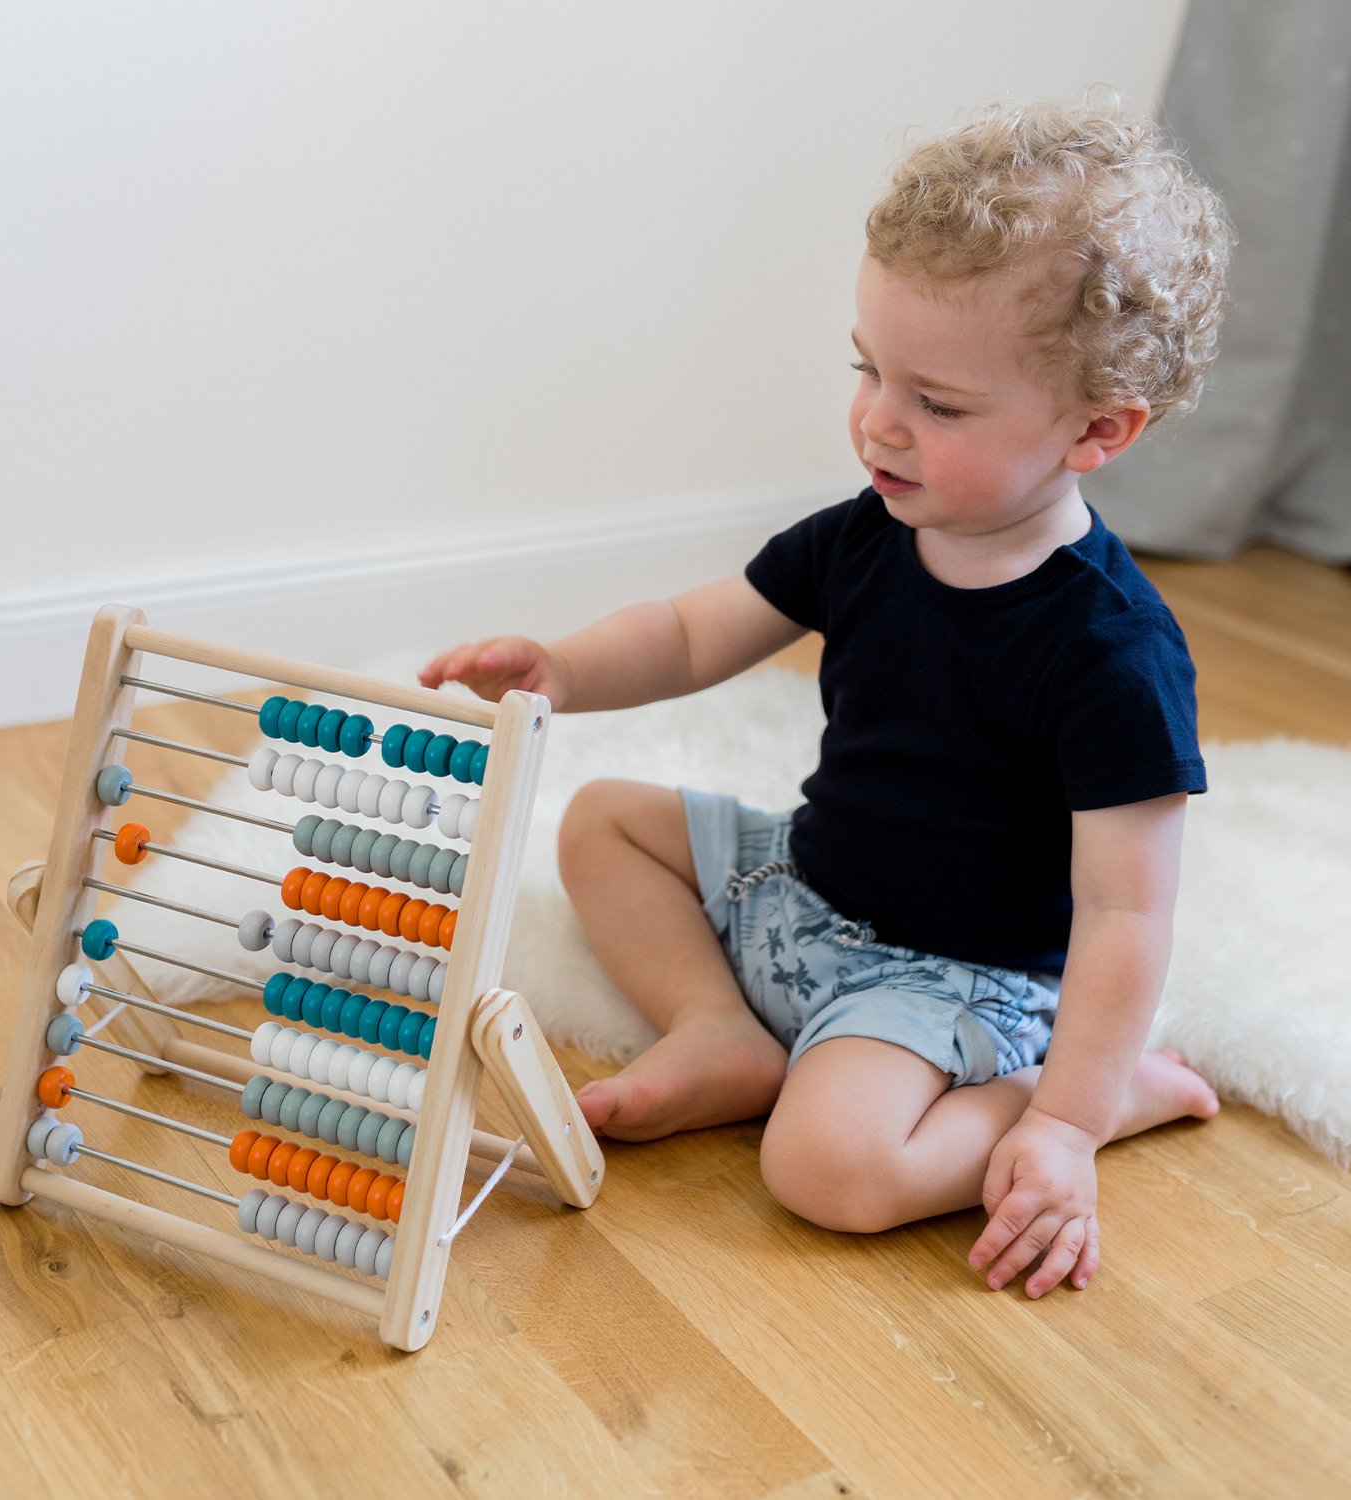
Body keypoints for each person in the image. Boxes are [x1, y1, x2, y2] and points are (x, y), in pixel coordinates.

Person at [419, 98, 1232, 1300]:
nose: (879, 421)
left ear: (1097, 430)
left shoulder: (1111, 651)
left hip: (952, 977)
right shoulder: (869, 533)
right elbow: (699, 629)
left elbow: (1126, 916)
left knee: (829, 1170)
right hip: (805, 886)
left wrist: (1063, 1120)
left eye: (939, 404)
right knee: (604, 821)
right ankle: (724, 1033)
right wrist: (567, 668)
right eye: (869, 368)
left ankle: (1108, 1101)